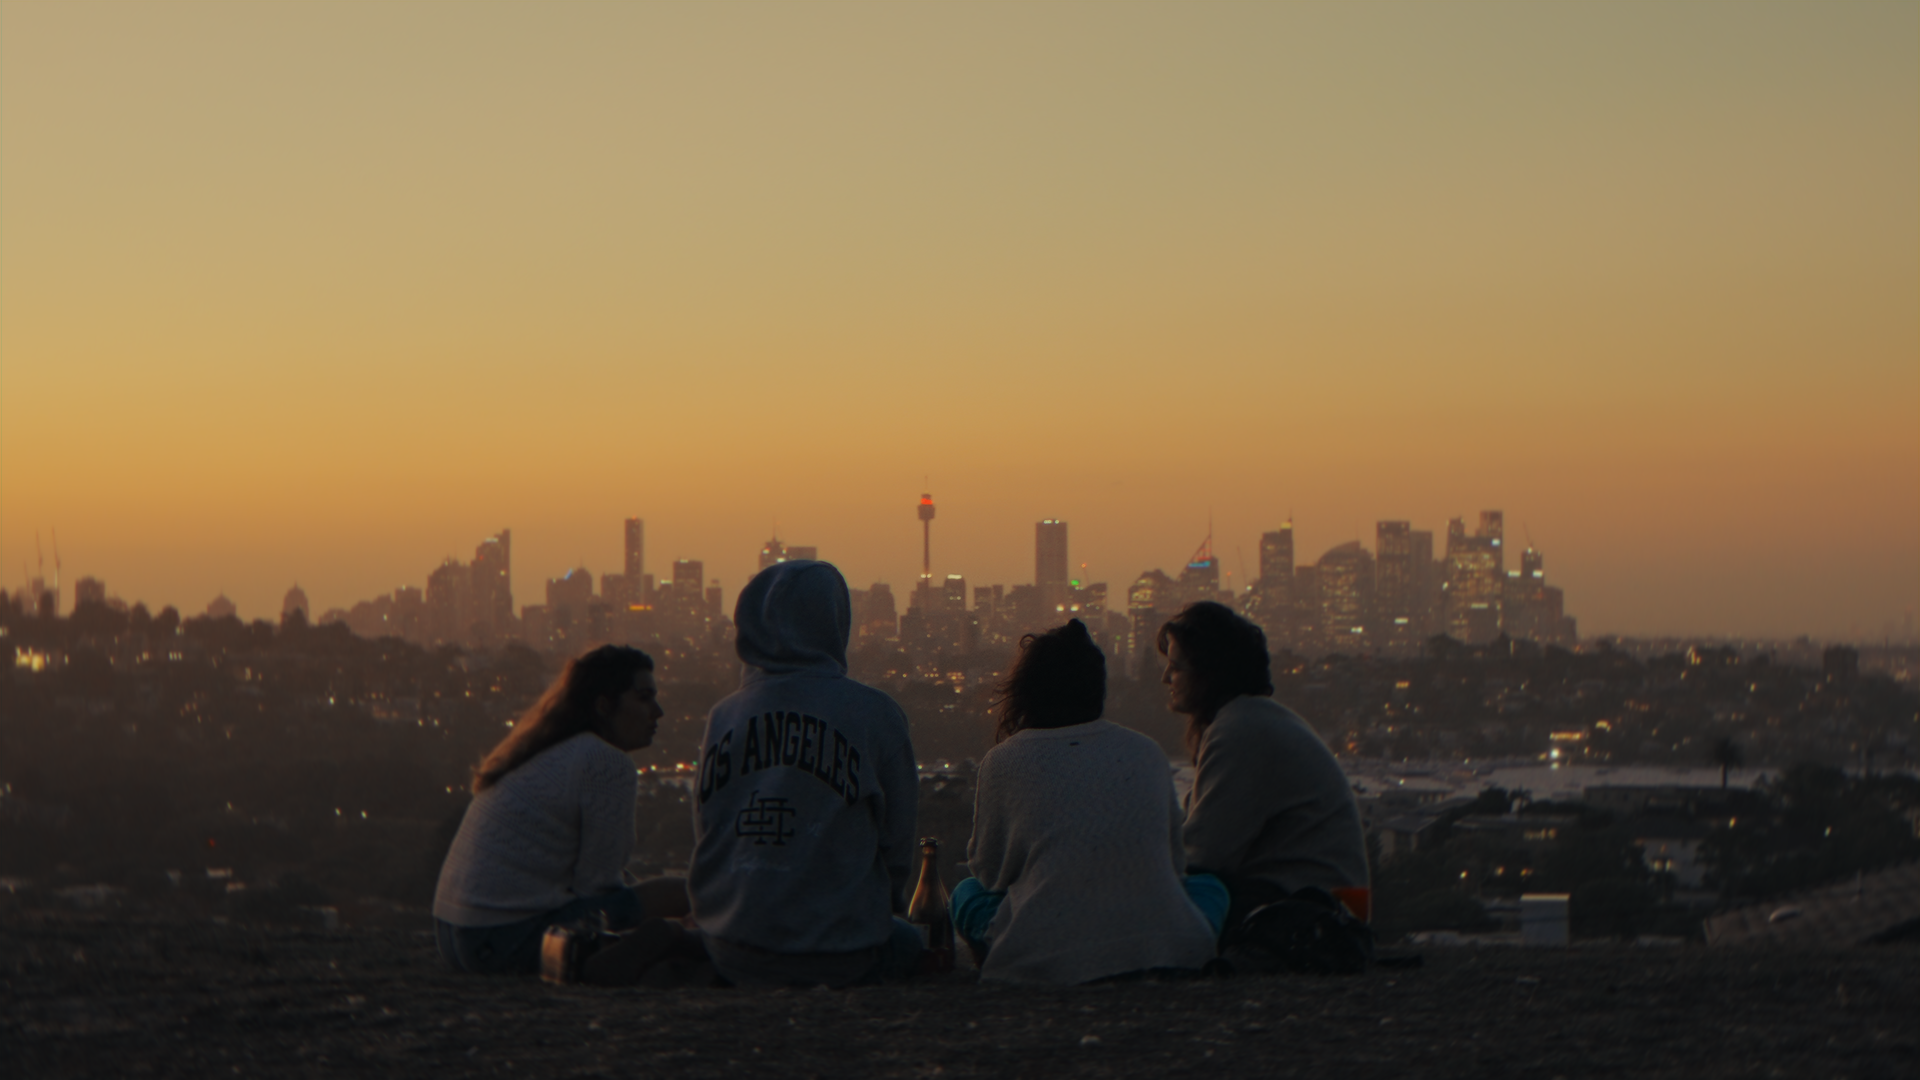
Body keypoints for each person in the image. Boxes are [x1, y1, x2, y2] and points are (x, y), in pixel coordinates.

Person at [687, 560, 921, 987]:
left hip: (730, 947)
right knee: (916, 944)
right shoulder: (875, 713)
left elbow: (709, 829)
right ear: (835, 620)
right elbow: (897, 842)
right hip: (842, 955)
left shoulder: (725, 715)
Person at [949, 619, 1223, 984]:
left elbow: (990, 873)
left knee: (965, 892)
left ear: (1027, 691)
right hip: (1163, 949)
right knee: (1210, 887)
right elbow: (1174, 863)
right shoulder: (1146, 751)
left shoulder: (1004, 760)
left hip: (1045, 953)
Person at [432, 645, 687, 976]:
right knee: (684, 893)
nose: (658, 711)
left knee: (651, 901)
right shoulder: (606, 761)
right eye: (644, 698)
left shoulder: (546, 750)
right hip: (505, 939)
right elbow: (599, 886)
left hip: (455, 938)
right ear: (604, 706)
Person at [1161, 602, 1370, 933]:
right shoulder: (1251, 719)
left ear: (1209, 672)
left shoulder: (1241, 730)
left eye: (1176, 667)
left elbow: (1201, 854)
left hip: (1312, 911)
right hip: (1333, 904)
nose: (1165, 678)